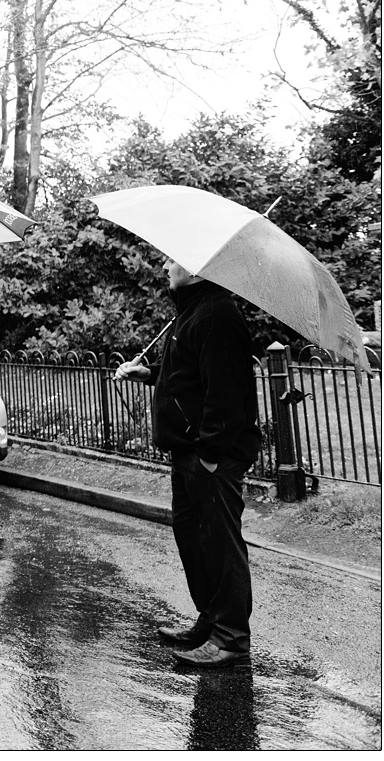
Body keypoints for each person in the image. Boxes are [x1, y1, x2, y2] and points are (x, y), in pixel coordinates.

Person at [116, 257, 260, 668]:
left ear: (195, 268)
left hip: (210, 455)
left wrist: (211, 455)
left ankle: (231, 638)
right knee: (193, 539)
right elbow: (189, 373)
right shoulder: (193, 311)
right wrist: (149, 374)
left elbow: (227, 391)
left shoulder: (217, 314)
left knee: (219, 544)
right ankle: (210, 619)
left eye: (171, 259)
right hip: (188, 452)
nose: (164, 264)